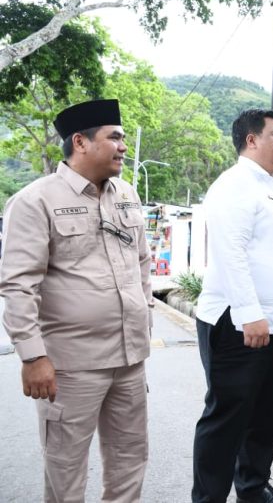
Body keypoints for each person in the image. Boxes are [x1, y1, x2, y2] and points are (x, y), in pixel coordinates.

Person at [0, 99, 153, 502]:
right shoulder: (35, 201)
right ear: (81, 142)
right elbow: (18, 285)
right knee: (65, 470)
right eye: (115, 137)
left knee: (130, 459)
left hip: (129, 359)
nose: (123, 146)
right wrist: (33, 357)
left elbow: (142, 263)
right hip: (69, 365)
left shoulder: (127, 195)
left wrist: (145, 317)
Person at [192, 109, 273, 503]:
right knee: (227, 418)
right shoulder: (234, 184)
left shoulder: (270, 188)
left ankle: (253, 488)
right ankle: (208, 498)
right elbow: (231, 252)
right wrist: (249, 313)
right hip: (240, 323)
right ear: (252, 140)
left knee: (266, 416)